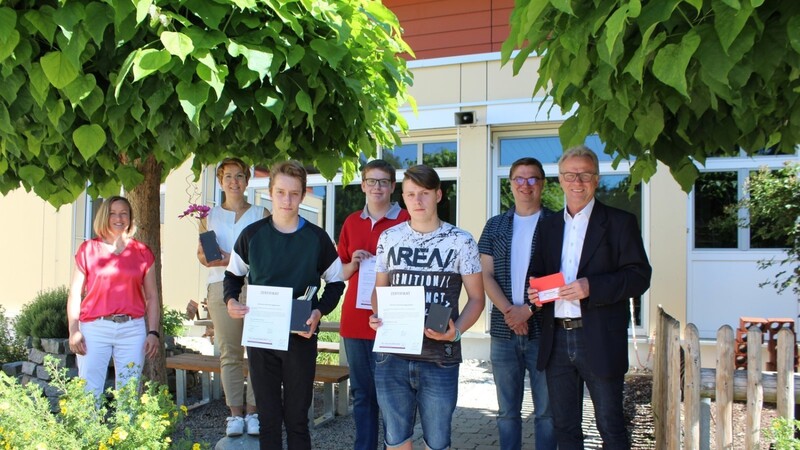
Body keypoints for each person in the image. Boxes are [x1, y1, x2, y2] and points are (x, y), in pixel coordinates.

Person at [528, 146, 652, 449]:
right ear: (560, 180)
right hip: (556, 339)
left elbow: (639, 276)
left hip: (598, 337)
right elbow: (536, 275)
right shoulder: (548, 226)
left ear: (596, 179)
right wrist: (534, 294)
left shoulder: (620, 222)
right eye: (570, 175)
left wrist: (591, 287)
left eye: (585, 175)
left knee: (610, 425)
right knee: (565, 428)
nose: (577, 181)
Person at [224, 160, 345, 450]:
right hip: (262, 338)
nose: (287, 200)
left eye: (293, 193)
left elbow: (337, 283)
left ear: (303, 195)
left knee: (297, 419)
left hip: (300, 338)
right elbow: (232, 276)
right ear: (270, 192)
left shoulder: (317, 238)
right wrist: (230, 300)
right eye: (280, 192)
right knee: (267, 417)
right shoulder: (252, 236)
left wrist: (319, 311)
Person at [369, 164, 484, 450]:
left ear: (438, 195)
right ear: (403, 197)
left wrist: (455, 332)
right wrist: (377, 314)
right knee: (396, 441)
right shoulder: (389, 238)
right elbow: (379, 291)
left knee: (437, 443)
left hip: (439, 357)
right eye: (410, 194)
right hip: (392, 355)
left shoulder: (461, 241)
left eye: (424, 193)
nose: (417, 201)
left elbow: (477, 298)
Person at [478, 157, 555, 450]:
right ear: (510, 184)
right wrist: (511, 313)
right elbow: (485, 274)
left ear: (542, 183)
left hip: (545, 331)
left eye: (533, 178)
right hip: (503, 330)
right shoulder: (494, 225)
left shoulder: (556, 223)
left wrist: (528, 311)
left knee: (547, 413)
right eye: (519, 179)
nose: (526, 185)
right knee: (507, 413)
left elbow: (559, 279)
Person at [337, 160, 410, 450]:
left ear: (393, 186)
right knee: (363, 395)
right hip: (355, 321)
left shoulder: (407, 219)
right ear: (363, 184)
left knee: (393, 395)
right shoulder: (351, 222)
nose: (377, 187)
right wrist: (352, 263)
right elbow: (337, 273)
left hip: (393, 319)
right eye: (371, 181)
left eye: (383, 182)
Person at [197, 157, 270, 437]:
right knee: (230, 352)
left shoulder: (262, 214)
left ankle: (253, 411)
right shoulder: (208, 217)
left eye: (239, 176)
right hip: (220, 289)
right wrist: (219, 259)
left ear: (247, 181)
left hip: (255, 288)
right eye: (228, 176)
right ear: (220, 181)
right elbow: (204, 257)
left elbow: (265, 258)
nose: (234, 182)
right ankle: (235, 414)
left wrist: (230, 259)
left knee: (258, 351)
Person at [67, 196, 160, 399]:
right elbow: (75, 293)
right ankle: (90, 431)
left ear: (130, 217)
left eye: (124, 213)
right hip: (94, 328)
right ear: (104, 217)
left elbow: (152, 296)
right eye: (113, 213)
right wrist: (74, 329)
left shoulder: (142, 252)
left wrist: (153, 332)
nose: (119, 218)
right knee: (89, 391)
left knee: (129, 392)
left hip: (132, 329)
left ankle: (128, 431)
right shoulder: (88, 250)